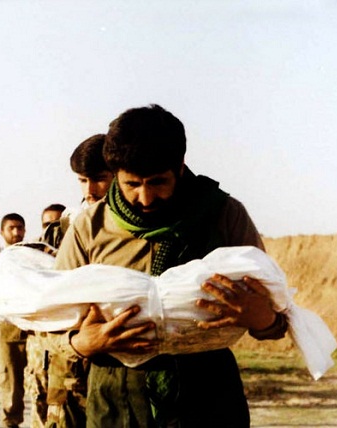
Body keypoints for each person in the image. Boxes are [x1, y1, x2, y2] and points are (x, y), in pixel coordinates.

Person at [54, 104, 288, 427]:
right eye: (132, 184)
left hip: (209, 398)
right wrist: (81, 343)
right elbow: (49, 324)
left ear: (180, 167)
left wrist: (261, 317)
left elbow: (276, 320)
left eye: (158, 182)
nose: (146, 198)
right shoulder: (88, 227)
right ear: (115, 174)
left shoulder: (224, 215)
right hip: (115, 400)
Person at [39, 134, 113, 428]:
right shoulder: (61, 228)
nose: (90, 190)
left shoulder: (132, 227)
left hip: (111, 358)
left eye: (99, 179)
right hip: (66, 357)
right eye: (82, 181)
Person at [0, 213, 29, 428]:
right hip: (5, 329)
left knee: (40, 380)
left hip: (31, 327)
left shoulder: (32, 254)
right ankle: (10, 422)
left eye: (20, 228)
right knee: (9, 380)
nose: (16, 232)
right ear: (1, 232)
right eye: (11, 228)